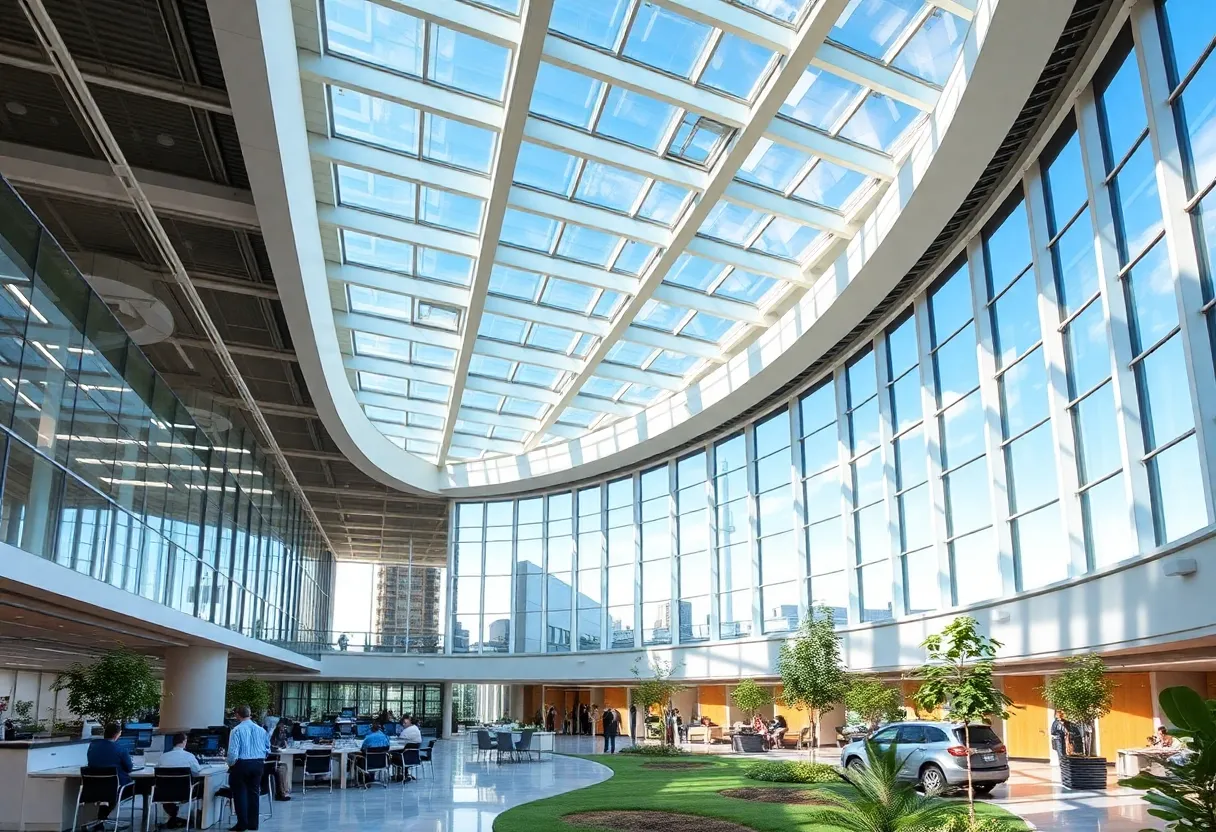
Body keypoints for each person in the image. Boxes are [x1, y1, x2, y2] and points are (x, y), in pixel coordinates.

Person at [226, 705, 270, 832]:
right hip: (258, 764)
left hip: (242, 764)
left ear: (237, 715)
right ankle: (253, 824)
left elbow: (233, 753)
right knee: (254, 793)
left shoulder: (236, 730)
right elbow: (268, 748)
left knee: (240, 793)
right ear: (250, 714)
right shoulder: (261, 730)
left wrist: (230, 764)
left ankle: (242, 824)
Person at [87, 724, 133, 827]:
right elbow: (129, 768)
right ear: (117, 735)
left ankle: (102, 818)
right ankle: (103, 816)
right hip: (116, 788)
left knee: (106, 792)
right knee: (122, 788)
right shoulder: (120, 749)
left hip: (93, 787)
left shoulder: (92, 746)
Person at [158, 732, 202, 826]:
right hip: (185, 793)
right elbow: (197, 772)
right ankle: (198, 817)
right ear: (184, 742)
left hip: (164, 793)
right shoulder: (189, 756)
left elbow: (157, 771)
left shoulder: (163, 757)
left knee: (168, 790)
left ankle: (173, 816)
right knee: (202, 786)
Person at [268, 723, 292, 800]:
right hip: (263, 762)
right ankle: (282, 793)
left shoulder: (282, 735)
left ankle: (284, 791)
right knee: (280, 769)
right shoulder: (271, 734)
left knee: (283, 766)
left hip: (270, 759)